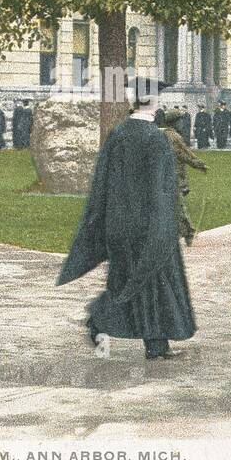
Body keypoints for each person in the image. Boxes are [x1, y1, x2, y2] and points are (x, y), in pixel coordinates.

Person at [58, 77, 196, 359]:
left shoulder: (118, 134)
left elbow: (102, 184)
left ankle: (153, 343)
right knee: (154, 281)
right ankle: (103, 319)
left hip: (119, 226)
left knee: (129, 281)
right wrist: (165, 228)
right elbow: (162, 192)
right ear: (155, 103)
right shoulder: (156, 139)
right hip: (149, 226)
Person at [159, 109, 208, 247]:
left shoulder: (161, 134)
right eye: (180, 120)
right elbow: (185, 155)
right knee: (176, 206)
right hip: (172, 176)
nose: (182, 123)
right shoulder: (174, 137)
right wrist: (200, 165)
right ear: (175, 122)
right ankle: (188, 232)